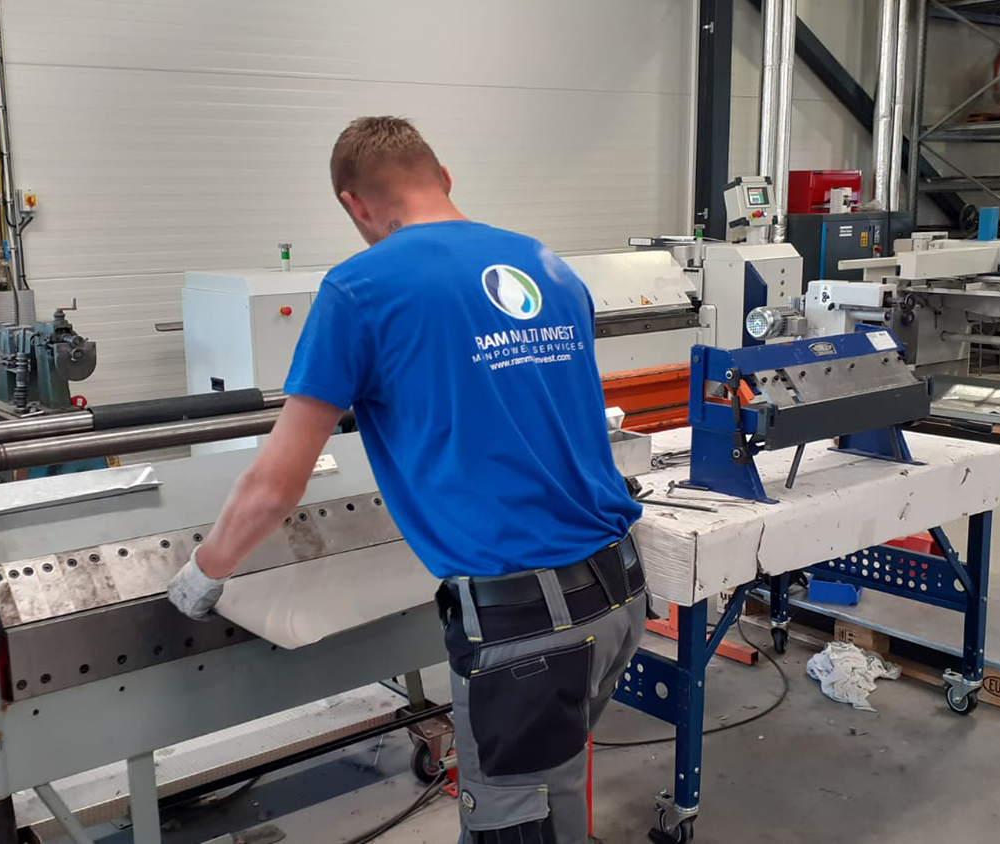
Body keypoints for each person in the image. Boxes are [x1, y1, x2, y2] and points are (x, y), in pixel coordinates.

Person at [168, 115, 645, 844]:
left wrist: (204, 573)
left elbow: (275, 485)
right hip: (620, 597)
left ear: (354, 204)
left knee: (516, 829)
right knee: (552, 800)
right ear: (444, 177)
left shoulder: (360, 288)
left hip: (527, 634)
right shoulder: (544, 263)